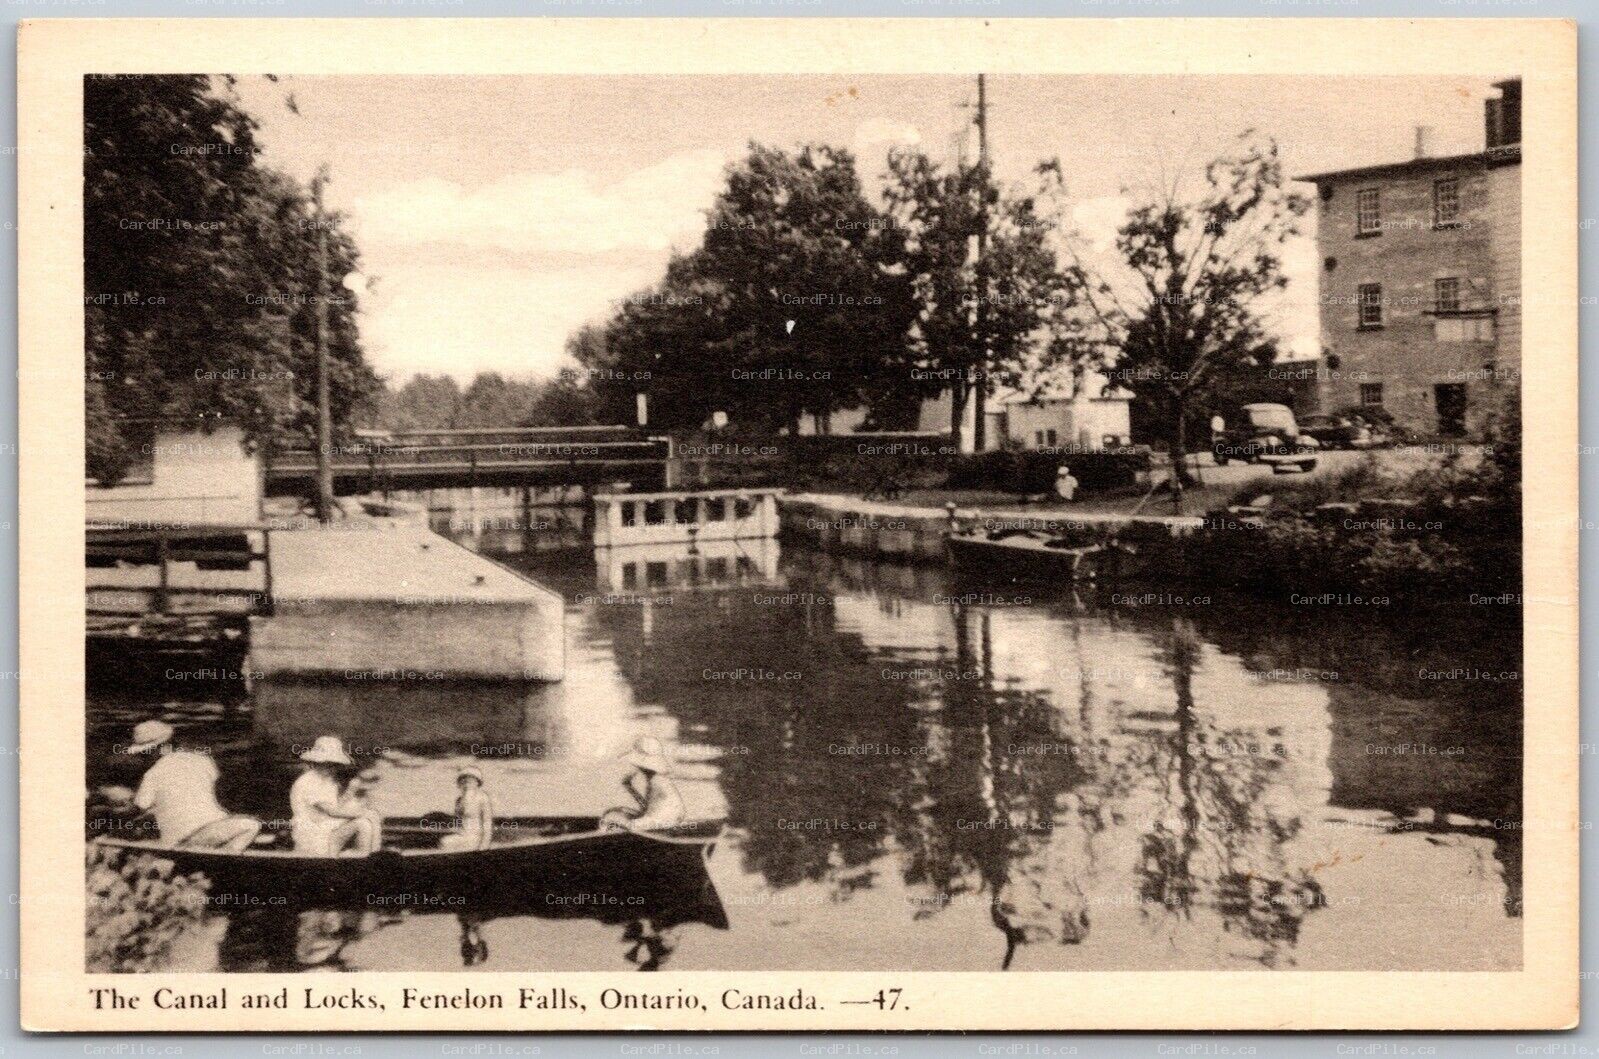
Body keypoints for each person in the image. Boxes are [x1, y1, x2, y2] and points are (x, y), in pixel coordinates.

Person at [121, 720, 262, 851]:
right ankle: (227, 855)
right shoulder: (203, 760)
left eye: (146, 754)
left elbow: (140, 807)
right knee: (252, 825)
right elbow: (218, 791)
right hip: (209, 828)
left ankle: (219, 855)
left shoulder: (152, 773)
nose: (144, 758)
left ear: (160, 748)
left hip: (178, 840)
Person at [289, 736, 376, 855]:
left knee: (366, 821)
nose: (330, 768)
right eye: (325, 763)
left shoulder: (329, 782)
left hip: (328, 829)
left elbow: (337, 806)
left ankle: (366, 857)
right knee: (364, 822)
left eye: (333, 764)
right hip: (311, 834)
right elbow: (331, 811)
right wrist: (363, 813)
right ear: (315, 762)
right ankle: (360, 858)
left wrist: (351, 791)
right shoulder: (308, 781)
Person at [601, 736, 685, 833]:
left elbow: (652, 812)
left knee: (611, 818)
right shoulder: (655, 779)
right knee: (619, 814)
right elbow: (648, 806)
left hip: (663, 820)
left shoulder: (656, 782)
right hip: (665, 818)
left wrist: (629, 821)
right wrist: (629, 787)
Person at [440, 764, 494, 851]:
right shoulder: (459, 800)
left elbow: (487, 822)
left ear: (477, 782)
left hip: (476, 837)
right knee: (445, 842)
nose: (466, 784)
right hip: (462, 835)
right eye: (463, 781)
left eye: (470, 781)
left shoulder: (483, 798)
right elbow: (457, 821)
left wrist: (485, 844)